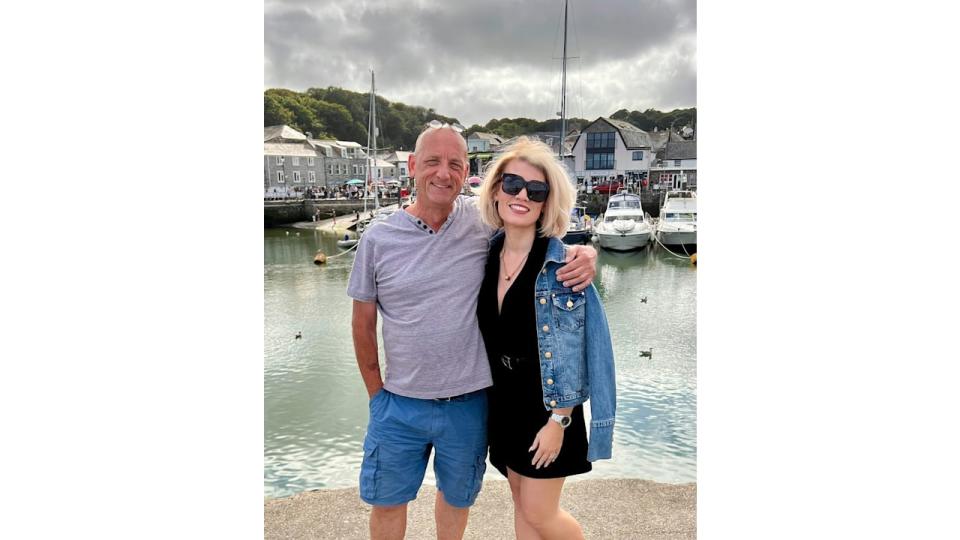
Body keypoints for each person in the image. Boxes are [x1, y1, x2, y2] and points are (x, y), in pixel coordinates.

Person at [347, 123, 597, 540]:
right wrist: (377, 395)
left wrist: (584, 252)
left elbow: (538, 237)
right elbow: (362, 323)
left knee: (457, 502)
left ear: (467, 173)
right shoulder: (378, 238)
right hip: (399, 405)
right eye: (432, 162)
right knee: (388, 504)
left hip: (468, 403)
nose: (443, 173)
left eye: (455, 164)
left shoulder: (481, 224)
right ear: (412, 166)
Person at [475, 137, 616, 540]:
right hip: (503, 403)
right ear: (497, 188)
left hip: (549, 407)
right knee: (521, 504)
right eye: (512, 184)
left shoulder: (563, 268)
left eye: (535, 190)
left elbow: (581, 351)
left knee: (540, 511)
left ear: (546, 203)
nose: (521, 195)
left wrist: (560, 419)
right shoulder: (485, 253)